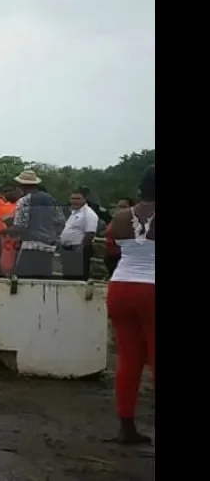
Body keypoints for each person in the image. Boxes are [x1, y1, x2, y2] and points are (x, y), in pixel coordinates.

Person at [106, 165, 154, 445]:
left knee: (128, 358)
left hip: (120, 286)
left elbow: (112, 246)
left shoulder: (122, 217)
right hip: (152, 289)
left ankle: (126, 427)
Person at [0, 170, 64, 279]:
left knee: (25, 281)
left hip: (30, 245)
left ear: (21, 185)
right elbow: (61, 221)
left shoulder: (24, 200)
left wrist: (3, 231)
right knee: (44, 281)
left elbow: (20, 227)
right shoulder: (51, 199)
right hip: (49, 246)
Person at [59, 189, 100, 280]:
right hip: (67, 250)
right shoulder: (73, 213)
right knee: (67, 277)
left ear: (84, 199)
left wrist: (80, 249)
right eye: (72, 198)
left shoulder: (89, 214)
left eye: (78, 198)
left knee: (78, 278)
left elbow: (90, 233)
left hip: (79, 250)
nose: (74, 201)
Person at [104, 198, 134, 276]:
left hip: (122, 256)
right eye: (119, 207)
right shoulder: (114, 219)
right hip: (110, 254)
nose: (121, 209)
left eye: (124, 207)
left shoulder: (133, 222)